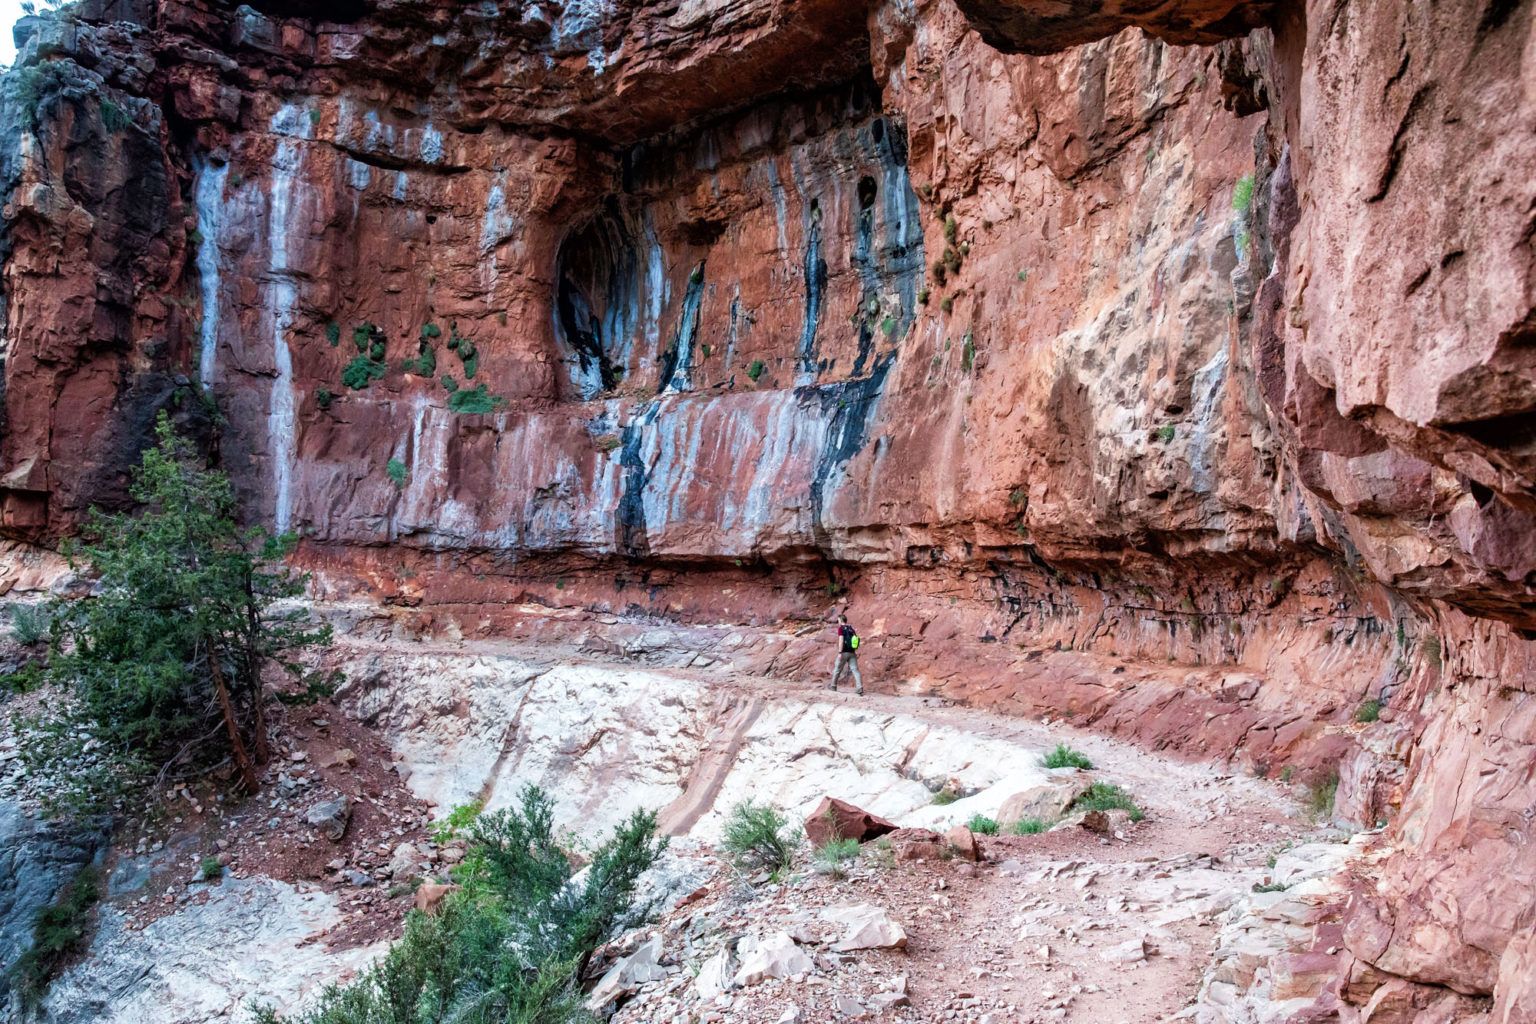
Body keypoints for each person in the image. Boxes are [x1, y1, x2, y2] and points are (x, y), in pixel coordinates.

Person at [829, 613, 864, 695]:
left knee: (837, 669)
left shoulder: (841, 629)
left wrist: (840, 652)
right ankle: (859, 687)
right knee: (855, 670)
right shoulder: (851, 629)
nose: (838, 622)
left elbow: (841, 640)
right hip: (852, 652)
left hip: (844, 652)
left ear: (841, 620)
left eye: (838, 620)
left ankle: (833, 686)